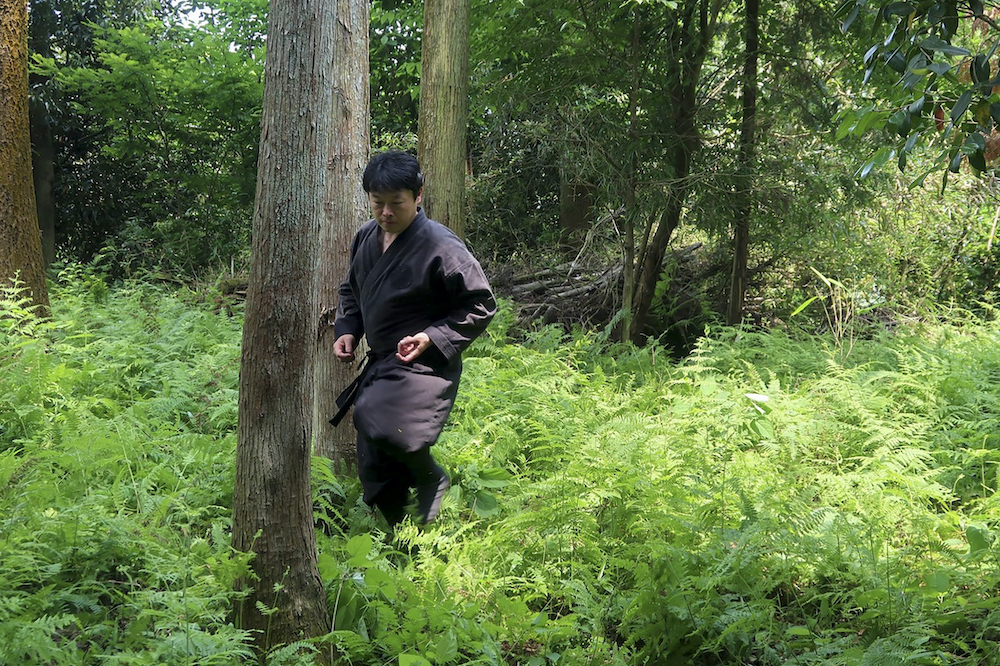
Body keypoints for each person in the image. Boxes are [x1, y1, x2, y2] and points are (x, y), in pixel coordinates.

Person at [331, 150, 496, 526]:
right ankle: (403, 537)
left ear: (418, 195)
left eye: (396, 204)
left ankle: (429, 476)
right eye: (378, 203)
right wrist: (348, 330)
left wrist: (431, 336)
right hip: (384, 359)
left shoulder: (441, 244)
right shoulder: (365, 237)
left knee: (375, 416)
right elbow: (351, 291)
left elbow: (481, 303)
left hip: (424, 362)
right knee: (374, 462)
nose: (386, 213)